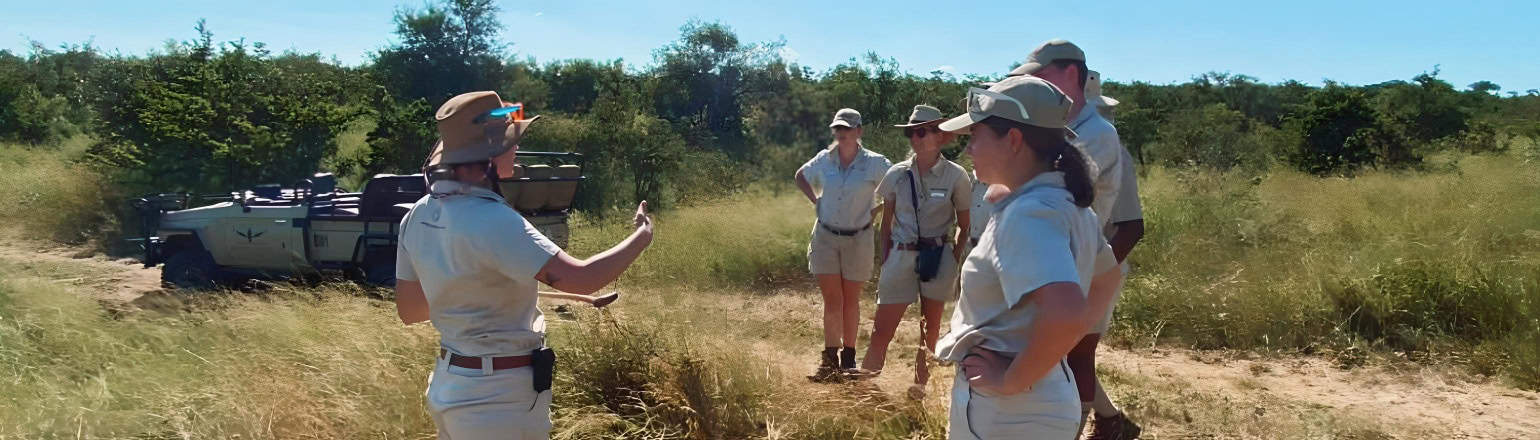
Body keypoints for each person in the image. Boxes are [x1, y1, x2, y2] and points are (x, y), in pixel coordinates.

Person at [394, 91, 654, 439]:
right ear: (488, 157)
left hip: (450, 387)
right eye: (510, 141)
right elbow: (583, 278)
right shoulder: (493, 218)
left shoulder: (417, 214)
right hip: (497, 400)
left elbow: (410, 310)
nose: (516, 148)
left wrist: (468, 289)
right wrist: (642, 235)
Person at [933, 76, 1125, 439]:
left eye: (976, 135)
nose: (969, 147)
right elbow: (1108, 279)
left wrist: (1011, 380)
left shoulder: (1030, 213)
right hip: (1043, 395)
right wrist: (1049, 357)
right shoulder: (1065, 204)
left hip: (1011, 411)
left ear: (1015, 140)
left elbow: (1066, 312)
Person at [1010, 39, 1146, 439]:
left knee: (1075, 355)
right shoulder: (1055, 129)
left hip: (1083, 263)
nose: (1033, 84)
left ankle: (1085, 427)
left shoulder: (1100, 136)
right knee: (1061, 354)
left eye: (1040, 75)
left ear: (1071, 75)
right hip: (1060, 262)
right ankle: (1108, 422)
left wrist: (1093, 278)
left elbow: (1125, 223)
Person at [857, 105, 971, 398]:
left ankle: (918, 391)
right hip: (901, 256)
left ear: (940, 136)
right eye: (911, 132)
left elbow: (964, 224)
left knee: (929, 331)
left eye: (922, 131)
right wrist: (888, 257)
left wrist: (952, 259)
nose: (915, 138)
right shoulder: (896, 173)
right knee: (882, 329)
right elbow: (887, 222)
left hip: (938, 257)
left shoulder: (957, 176)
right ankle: (865, 388)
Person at [794, 108, 892, 382]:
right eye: (838, 129)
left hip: (858, 239)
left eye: (848, 129)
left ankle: (848, 360)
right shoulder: (824, 159)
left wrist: (879, 209)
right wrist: (816, 201)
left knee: (851, 301)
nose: (842, 134)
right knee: (832, 301)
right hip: (825, 236)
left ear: (859, 131)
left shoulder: (875, 163)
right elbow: (800, 175)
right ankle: (829, 362)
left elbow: (899, 184)